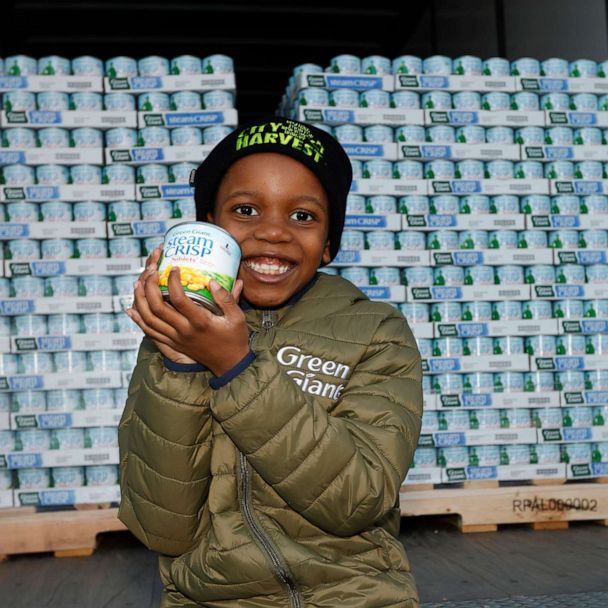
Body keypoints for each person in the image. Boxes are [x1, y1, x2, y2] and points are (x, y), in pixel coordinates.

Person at [118, 116, 423, 608]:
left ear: (328, 243)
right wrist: (180, 368)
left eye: (303, 216)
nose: (274, 232)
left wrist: (237, 368)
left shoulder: (375, 331)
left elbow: (357, 499)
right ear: (209, 231)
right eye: (245, 209)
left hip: (355, 596)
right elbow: (162, 529)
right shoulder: (172, 343)